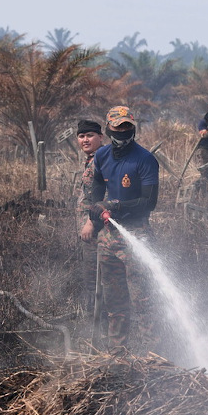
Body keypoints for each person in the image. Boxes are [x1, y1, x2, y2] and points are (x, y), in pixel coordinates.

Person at [79, 106, 159, 350]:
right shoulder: (102, 156)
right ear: (108, 128)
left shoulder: (144, 159)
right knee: (114, 303)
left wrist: (115, 205)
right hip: (107, 238)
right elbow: (94, 187)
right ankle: (117, 354)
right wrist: (94, 210)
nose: (122, 130)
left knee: (142, 300)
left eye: (127, 126)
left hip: (136, 235)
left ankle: (152, 355)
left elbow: (149, 202)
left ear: (133, 127)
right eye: (117, 126)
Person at [76, 119, 105, 313]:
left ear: (100, 137)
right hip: (89, 234)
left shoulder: (103, 159)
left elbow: (105, 194)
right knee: (91, 278)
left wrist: (91, 222)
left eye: (90, 135)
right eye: (81, 136)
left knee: (97, 280)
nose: (85, 140)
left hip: (97, 231)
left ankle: (100, 328)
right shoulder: (91, 159)